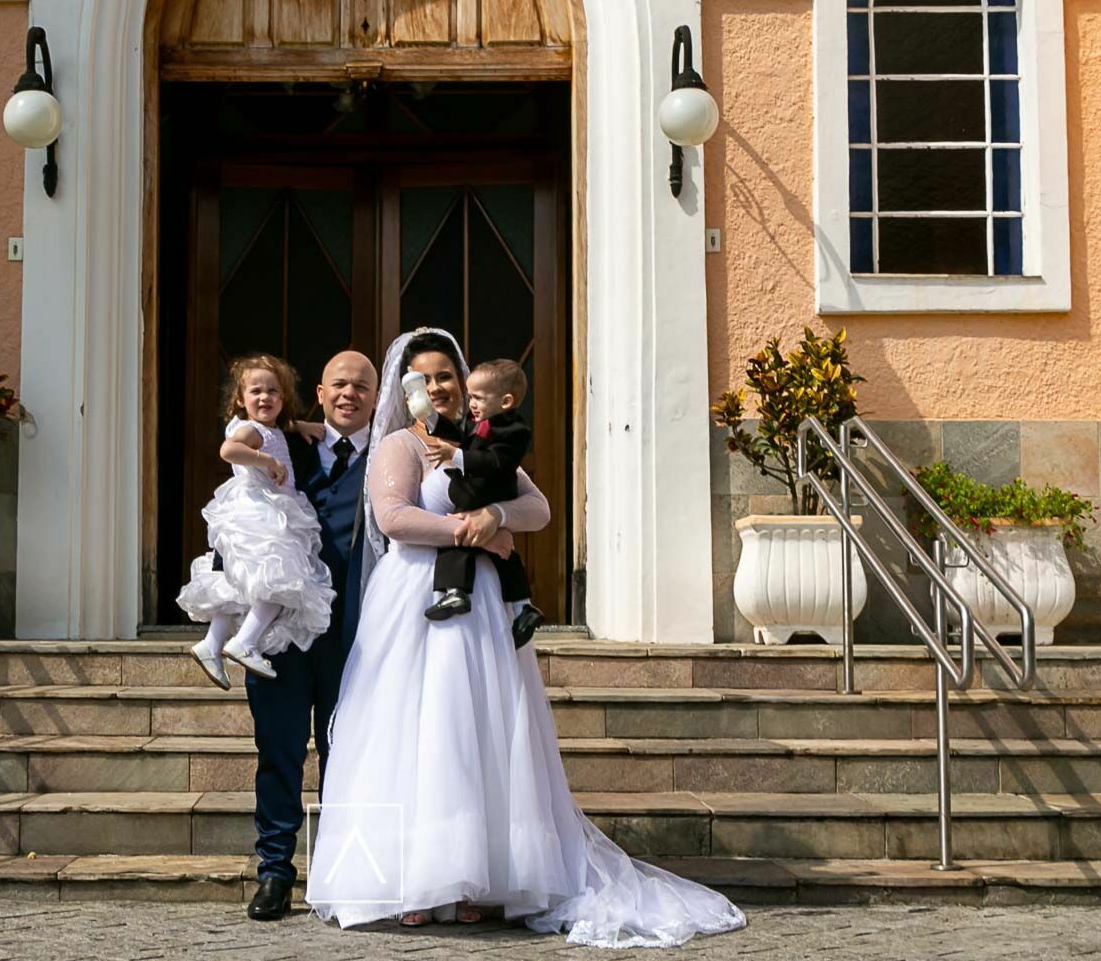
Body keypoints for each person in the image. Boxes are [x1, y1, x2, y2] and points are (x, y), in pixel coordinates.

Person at [307, 328, 747, 948]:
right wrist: (476, 532)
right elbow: (394, 518)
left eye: (445, 376)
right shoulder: (400, 446)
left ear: (462, 384)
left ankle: (472, 881)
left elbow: (537, 510)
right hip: (415, 602)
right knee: (415, 734)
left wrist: (497, 515)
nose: (436, 387)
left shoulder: (484, 444)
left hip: (479, 607)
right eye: (423, 378)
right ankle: (409, 880)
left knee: (475, 731)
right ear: (405, 388)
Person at [240, 350, 377, 923]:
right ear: (319, 393)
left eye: (362, 386)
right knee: (279, 751)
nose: (349, 394)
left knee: (350, 754)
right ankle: (274, 870)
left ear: (377, 396)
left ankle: (343, 872)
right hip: (283, 632)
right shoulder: (281, 443)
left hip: (358, 636)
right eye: (338, 384)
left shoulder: (393, 454)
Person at [177, 355, 335, 683]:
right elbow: (228, 450)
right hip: (263, 513)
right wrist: (266, 462)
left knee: (236, 585)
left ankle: (212, 643)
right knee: (283, 583)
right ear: (240, 398)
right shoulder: (250, 431)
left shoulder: (268, 427)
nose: (265, 397)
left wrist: (300, 426)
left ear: (283, 399)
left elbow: (278, 429)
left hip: (263, 510)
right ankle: (245, 642)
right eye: (256, 391)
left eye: (273, 391)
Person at [423, 358, 545, 646]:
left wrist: (456, 456)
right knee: (501, 554)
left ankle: (457, 591)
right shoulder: (478, 421)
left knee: (460, 538)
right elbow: (457, 433)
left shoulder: (515, 431)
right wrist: (429, 417)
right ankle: (521, 606)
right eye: (470, 396)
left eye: (477, 397)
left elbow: (495, 462)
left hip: (490, 492)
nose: (471, 403)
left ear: (505, 401)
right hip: (474, 493)